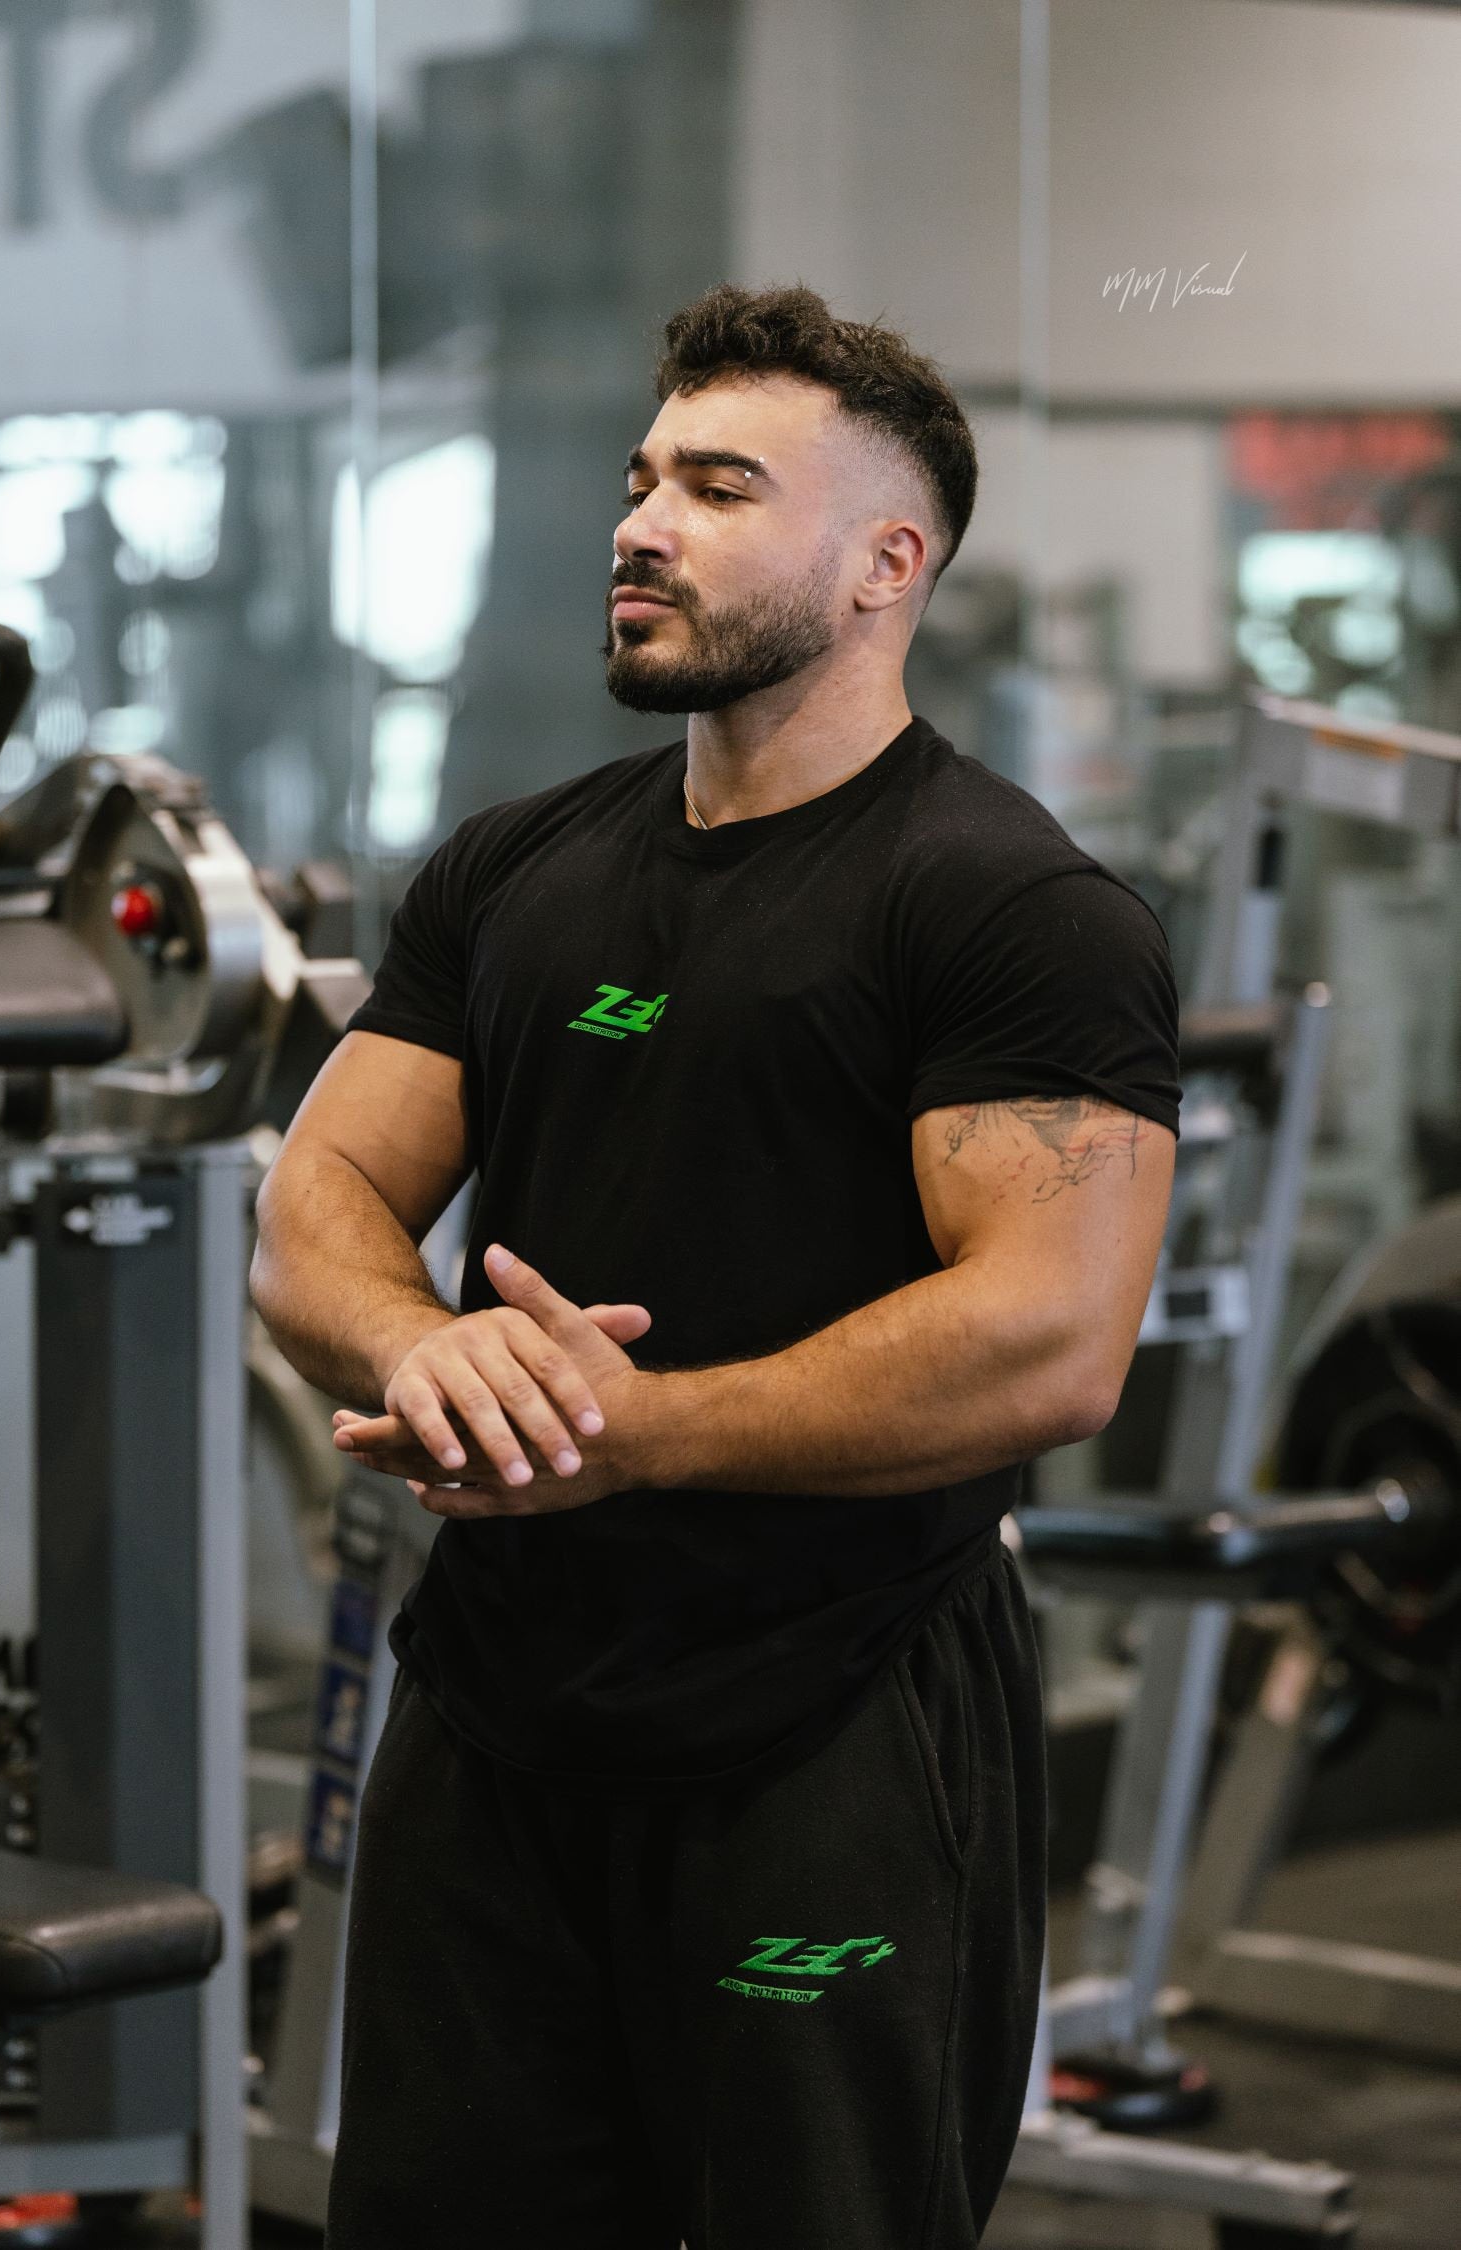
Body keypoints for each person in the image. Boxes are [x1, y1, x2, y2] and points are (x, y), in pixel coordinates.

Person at [250, 280, 1181, 2250]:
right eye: (642, 476)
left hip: (823, 1728)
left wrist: (640, 1431)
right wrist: (433, 1357)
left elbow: (1052, 1336)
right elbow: (315, 1210)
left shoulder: (1010, 906)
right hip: (497, 1719)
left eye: (720, 487)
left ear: (882, 563)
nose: (640, 523)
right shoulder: (511, 867)